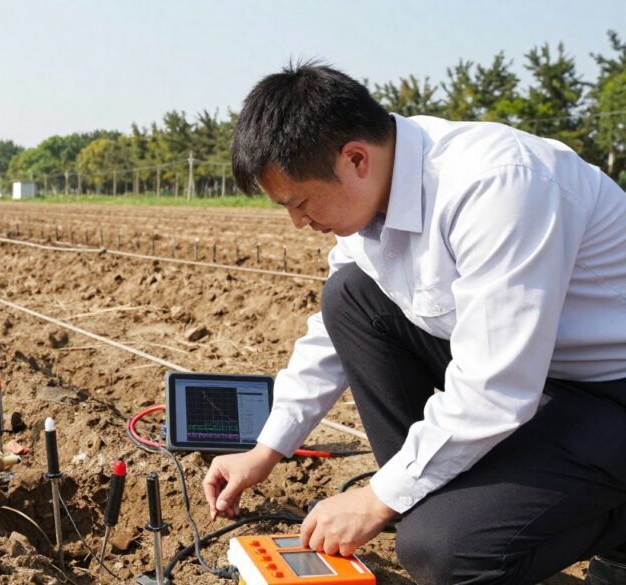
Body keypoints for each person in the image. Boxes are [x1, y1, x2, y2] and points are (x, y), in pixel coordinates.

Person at [202, 62, 626, 585]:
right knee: (350, 296)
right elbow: (332, 335)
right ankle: (442, 498)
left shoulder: (497, 185)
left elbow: (496, 389)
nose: (298, 222)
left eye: (300, 202)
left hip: (608, 391)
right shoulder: (375, 190)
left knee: (441, 552)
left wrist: (377, 496)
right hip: (538, 376)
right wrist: (266, 449)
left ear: (355, 158)